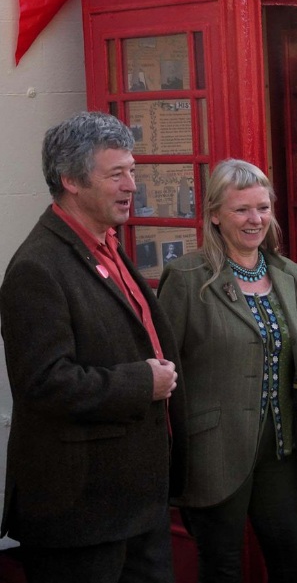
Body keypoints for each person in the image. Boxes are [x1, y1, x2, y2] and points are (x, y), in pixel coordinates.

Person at [0, 111, 186, 583]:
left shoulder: (107, 246)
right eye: (116, 174)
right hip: (81, 515)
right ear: (71, 180)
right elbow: (44, 384)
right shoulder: (37, 268)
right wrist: (142, 381)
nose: (132, 186)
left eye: (134, 171)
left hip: (137, 504)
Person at [157, 159, 297, 582]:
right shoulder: (186, 278)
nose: (255, 220)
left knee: (295, 562)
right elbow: (165, 369)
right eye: (241, 210)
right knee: (222, 568)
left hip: (283, 451)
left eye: (262, 207)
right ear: (215, 215)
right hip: (213, 452)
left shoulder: (289, 275)